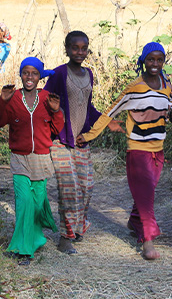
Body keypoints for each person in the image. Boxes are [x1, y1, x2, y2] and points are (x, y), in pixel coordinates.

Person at [76, 42, 172, 260]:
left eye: (159, 60)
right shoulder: (134, 88)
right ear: (143, 61)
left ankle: (134, 221)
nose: (155, 64)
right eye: (151, 59)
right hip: (137, 149)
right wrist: (90, 135)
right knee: (147, 193)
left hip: (158, 150)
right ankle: (148, 241)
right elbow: (109, 112)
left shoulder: (165, 83)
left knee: (147, 192)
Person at [44, 30, 124, 255]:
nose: (80, 52)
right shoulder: (60, 73)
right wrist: (53, 117)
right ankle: (65, 238)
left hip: (81, 141)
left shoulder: (88, 74)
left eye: (84, 48)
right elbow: (45, 101)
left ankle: (78, 228)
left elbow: (87, 107)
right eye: (75, 48)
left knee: (86, 187)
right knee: (68, 188)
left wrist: (107, 122)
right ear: (67, 48)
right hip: (61, 140)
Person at [0, 57, 64, 265]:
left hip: (41, 158)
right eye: (26, 73)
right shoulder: (12, 98)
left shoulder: (48, 98)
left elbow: (58, 129)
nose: (29, 77)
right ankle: (23, 250)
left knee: (37, 204)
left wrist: (56, 112)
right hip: (19, 158)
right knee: (25, 202)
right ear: (21, 74)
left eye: (34, 73)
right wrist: (2, 101)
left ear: (40, 76)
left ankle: (36, 237)